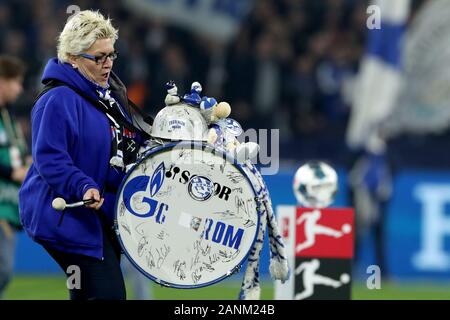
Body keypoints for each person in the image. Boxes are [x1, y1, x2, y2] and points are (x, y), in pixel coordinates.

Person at [18, 10, 152, 300]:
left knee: (87, 294)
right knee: (107, 295)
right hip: (66, 218)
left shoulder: (104, 95)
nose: (108, 64)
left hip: (96, 215)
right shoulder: (57, 99)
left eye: (111, 55)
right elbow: (50, 160)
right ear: (72, 58)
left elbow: (127, 142)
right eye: (99, 58)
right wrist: (83, 186)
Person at [0, 55, 29, 299]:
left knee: (4, 271)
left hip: (8, 206)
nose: (19, 89)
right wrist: (12, 172)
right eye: (16, 82)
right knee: (3, 270)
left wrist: (27, 163)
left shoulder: (9, 119)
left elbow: (18, 155)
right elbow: (12, 167)